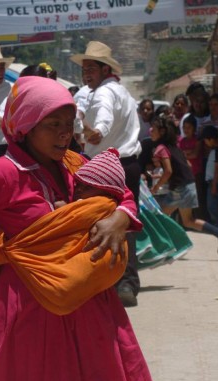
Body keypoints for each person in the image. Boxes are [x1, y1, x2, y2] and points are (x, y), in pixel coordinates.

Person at [0, 76, 156, 381]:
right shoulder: (0, 173)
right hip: (30, 304)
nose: (65, 133)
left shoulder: (76, 165)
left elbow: (119, 194)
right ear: (26, 125)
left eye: (69, 123)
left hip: (89, 300)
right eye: (53, 124)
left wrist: (119, 218)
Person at [70, 41, 143, 307]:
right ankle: (126, 282)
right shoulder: (122, 92)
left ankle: (111, 280)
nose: (85, 74)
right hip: (128, 164)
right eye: (83, 69)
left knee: (102, 223)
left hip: (107, 168)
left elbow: (101, 125)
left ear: (104, 69)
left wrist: (90, 129)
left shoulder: (103, 94)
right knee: (126, 222)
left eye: (90, 68)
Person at [150, 115, 218, 253]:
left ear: (162, 131)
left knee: (160, 216)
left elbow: (168, 171)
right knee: (188, 220)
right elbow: (186, 164)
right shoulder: (174, 147)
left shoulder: (162, 148)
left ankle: (171, 246)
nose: (150, 130)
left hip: (180, 188)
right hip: (188, 185)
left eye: (154, 128)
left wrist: (156, 187)